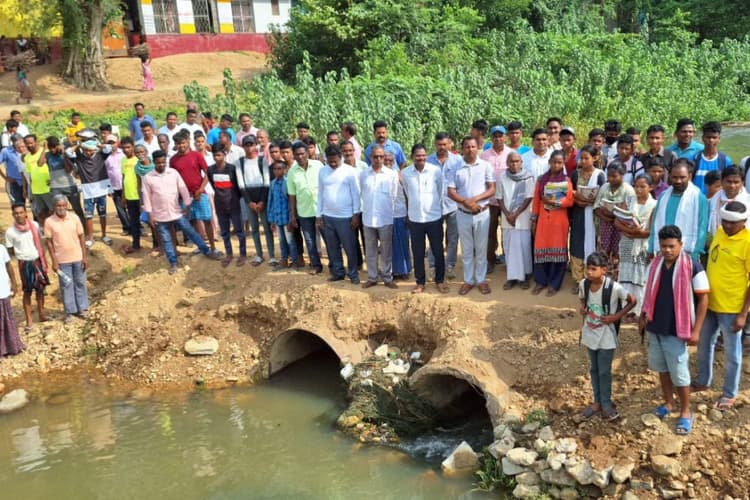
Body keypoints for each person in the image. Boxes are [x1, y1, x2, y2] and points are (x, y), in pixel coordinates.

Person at [640, 224, 708, 435]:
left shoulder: (694, 267)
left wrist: (696, 331)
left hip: (676, 330)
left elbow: (704, 299)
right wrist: (643, 317)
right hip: (655, 326)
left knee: (680, 373)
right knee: (662, 368)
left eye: (671, 246)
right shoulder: (655, 265)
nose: (667, 250)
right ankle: (668, 403)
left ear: (681, 244)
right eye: (663, 246)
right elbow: (648, 292)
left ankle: (686, 411)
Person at [693, 201, 750, 411]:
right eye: (724, 221)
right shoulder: (719, 232)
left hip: (732, 308)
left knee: (732, 354)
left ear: (743, 221)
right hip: (710, 303)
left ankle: (729, 394)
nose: (727, 225)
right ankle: (702, 381)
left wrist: (743, 314)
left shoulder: (747, 243)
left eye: (732, 223)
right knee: (704, 344)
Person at [578, 251, 636, 421]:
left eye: (593, 269)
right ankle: (597, 402)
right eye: (588, 268)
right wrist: (583, 308)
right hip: (590, 332)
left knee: (604, 371)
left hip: (606, 335)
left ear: (603, 270)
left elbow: (632, 301)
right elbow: (582, 299)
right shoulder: (584, 284)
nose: (589, 272)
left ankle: (606, 403)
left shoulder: (614, 288)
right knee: (594, 369)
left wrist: (615, 317)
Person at [142, 151, 221, 273]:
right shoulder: (148, 178)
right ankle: (173, 263)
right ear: (154, 162)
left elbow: (182, 189)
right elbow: (146, 197)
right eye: (158, 163)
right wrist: (150, 214)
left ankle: (206, 251)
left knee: (191, 233)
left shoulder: (173, 173)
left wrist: (187, 205)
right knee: (166, 240)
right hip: (160, 215)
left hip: (176, 212)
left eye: (163, 162)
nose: (161, 165)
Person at [448, 136, 496, 295]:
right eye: (467, 147)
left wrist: (474, 200)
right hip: (463, 214)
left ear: (477, 148)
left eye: (473, 146)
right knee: (467, 249)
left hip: (482, 213)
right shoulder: (455, 167)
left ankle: (481, 280)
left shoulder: (485, 165)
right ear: (462, 149)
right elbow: (451, 191)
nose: (470, 150)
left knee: (481, 248)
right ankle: (468, 280)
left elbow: (492, 189)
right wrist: (465, 202)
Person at [402, 144, 448, 293]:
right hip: (415, 219)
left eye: (423, 155)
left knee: (438, 251)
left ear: (426, 156)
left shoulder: (435, 171)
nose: (421, 158)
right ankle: (420, 282)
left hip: (434, 217)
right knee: (418, 253)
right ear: (412, 157)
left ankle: (440, 281)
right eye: (417, 155)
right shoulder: (405, 173)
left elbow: (441, 191)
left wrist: (436, 209)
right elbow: (407, 193)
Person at [169, 131, 220, 257]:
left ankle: (213, 247)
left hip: (200, 194)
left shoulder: (196, 155)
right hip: (184, 197)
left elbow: (208, 173)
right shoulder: (173, 160)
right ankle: (200, 246)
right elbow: (173, 179)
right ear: (175, 144)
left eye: (183, 143)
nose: (181, 146)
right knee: (192, 221)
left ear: (188, 142)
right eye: (178, 143)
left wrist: (201, 189)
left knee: (207, 220)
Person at [614, 173, 657, 320]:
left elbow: (652, 229)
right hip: (627, 242)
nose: (638, 189)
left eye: (642, 186)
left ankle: (640, 311)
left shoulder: (654, 205)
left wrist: (637, 233)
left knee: (640, 277)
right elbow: (617, 221)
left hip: (643, 245)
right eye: (636, 186)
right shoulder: (629, 200)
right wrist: (630, 231)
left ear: (651, 187)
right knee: (626, 275)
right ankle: (626, 308)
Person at [316, 144, 361, 284]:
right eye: (330, 162)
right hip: (328, 216)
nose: (333, 164)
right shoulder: (323, 171)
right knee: (332, 247)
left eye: (335, 161)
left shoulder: (350, 171)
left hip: (346, 217)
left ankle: (353, 274)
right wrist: (319, 214)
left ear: (341, 157)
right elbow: (320, 193)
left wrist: (356, 214)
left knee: (350, 247)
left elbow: (356, 194)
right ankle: (338, 272)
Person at [531, 151, 574, 296]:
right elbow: (536, 201)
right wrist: (534, 219)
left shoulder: (566, 180)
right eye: (554, 162)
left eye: (559, 162)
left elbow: (570, 200)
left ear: (563, 163)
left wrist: (555, 202)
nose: (556, 165)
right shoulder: (541, 179)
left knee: (558, 251)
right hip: (543, 220)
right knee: (541, 249)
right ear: (549, 162)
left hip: (559, 221)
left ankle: (554, 284)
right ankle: (541, 281)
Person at [648, 159, 709, 258]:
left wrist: (695, 253)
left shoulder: (698, 197)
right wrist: (651, 248)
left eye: (682, 177)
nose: (678, 181)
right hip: (663, 251)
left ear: (689, 176)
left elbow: (702, 228)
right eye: (675, 177)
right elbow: (655, 224)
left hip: (687, 252)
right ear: (670, 176)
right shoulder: (663, 196)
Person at [44, 195, 89, 322]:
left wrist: (84, 256)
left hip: (77, 257)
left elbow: (81, 237)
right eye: (59, 205)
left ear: (67, 205)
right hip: (62, 261)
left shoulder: (74, 218)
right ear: (54, 206)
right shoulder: (49, 222)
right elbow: (49, 243)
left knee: (80, 282)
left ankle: (82, 308)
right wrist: (54, 261)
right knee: (66, 285)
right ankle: (70, 312)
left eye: (64, 205)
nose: (61, 208)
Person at [5, 203, 49, 330]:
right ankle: (29, 320)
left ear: (26, 213)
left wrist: (42, 258)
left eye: (21, 212)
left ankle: (41, 314)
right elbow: (11, 251)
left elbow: (40, 242)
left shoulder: (34, 225)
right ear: (13, 215)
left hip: (37, 260)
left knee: (40, 289)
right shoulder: (10, 232)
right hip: (24, 263)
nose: (19, 215)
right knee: (27, 291)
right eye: (16, 213)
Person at [360, 145, 399, 289]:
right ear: (371, 157)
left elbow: (394, 196)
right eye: (375, 156)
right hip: (368, 218)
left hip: (385, 218)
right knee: (370, 250)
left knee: (386, 250)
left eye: (381, 156)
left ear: (384, 158)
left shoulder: (391, 174)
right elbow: (361, 194)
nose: (378, 159)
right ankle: (372, 277)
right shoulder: (364, 174)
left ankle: (387, 277)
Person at [569, 145, 605, 293]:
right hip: (578, 214)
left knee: (593, 243)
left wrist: (590, 201)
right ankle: (578, 280)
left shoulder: (600, 175)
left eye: (586, 158)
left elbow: (603, 195)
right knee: (577, 244)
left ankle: (592, 278)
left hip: (594, 216)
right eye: (581, 158)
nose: (583, 161)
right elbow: (570, 193)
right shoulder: (575, 174)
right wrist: (578, 200)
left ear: (594, 158)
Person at [65, 138, 112, 247]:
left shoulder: (101, 155)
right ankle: (90, 237)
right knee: (88, 216)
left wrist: (98, 144)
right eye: (86, 150)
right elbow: (68, 152)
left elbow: (109, 148)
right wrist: (79, 145)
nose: (88, 152)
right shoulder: (79, 158)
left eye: (91, 150)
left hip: (101, 190)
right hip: (88, 192)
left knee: (102, 214)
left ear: (95, 149)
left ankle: (104, 235)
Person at [427, 132, 461, 279]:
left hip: (453, 205)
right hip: (433, 206)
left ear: (450, 144)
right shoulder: (428, 161)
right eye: (439, 144)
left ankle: (450, 266)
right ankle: (433, 266)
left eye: (445, 144)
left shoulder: (458, 161)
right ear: (435, 144)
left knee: (453, 238)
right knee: (435, 238)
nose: (442, 147)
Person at [497, 152, 535, 290]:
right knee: (509, 248)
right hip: (507, 219)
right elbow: (499, 198)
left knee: (524, 248)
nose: (514, 164)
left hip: (523, 218)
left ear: (521, 162)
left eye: (517, 161)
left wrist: (516, 214)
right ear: (507, 163)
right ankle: (512, 277)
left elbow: (529, 197)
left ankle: (524, 277)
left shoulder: (528, 177)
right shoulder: (502, 177)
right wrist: (508, 214)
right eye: (511, 161)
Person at [237, 135, 275, 266]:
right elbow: (241, 184)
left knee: (267, 228)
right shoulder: (240, 162)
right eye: (246, 145)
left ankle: (272, 255)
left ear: (255, 145)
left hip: (262, 196)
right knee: (254, 228)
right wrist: (249, 202)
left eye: (251, 144)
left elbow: (266, 181)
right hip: (249, 199)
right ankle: (259, 254)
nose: (249, 147)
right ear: (243, 147)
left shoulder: (262, 160)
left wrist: (262, 201)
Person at [287, 140, 323, 273]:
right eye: (297, 154)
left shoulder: (318, 166)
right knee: (309, 240)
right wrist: (293, 215)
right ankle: (316, 265)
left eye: (302, 153)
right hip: (304, 211)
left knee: (328, 238)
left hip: (321, 210)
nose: (300, 156)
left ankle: (335, 266)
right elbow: (292, 195)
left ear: (307, 153)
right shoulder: (292, 172)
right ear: (294, 155)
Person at [207, 144, 247, 267]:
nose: (217, 158)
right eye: (214, 155)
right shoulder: (210, 170)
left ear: (224, 155)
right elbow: (214, 186)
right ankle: (229, 254)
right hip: (220, 205)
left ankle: (243, 254)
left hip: (233, 204)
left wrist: (234, 199)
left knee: (239, 231)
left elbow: (238, 187)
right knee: (224, 232)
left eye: (219, 155)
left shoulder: (232, 169)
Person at [594, 161, 636, 268]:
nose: (610, 179)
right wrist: (607, 218)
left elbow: (630, 213)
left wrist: (615, 217)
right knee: (604, 251)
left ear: (622, 175)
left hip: (621, 227)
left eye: (614, 176)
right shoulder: (604, 187)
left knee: (619, 252)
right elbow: (596, 207)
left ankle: (617, 273)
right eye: (608, 176)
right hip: (605, 225)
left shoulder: (629, 190)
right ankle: (603, 271)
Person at [480, 125, 510, 274]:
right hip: (490, 201)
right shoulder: (484, 156)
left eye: (500, 136)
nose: (498, 139)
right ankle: (490, 261)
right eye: (495, 136)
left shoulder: (511, 154)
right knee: (490, 232)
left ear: (505, 137)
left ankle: (508, 260)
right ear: (491, 138)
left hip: (507, 201)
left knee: (507, 232)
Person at [38, 136, 84, 222]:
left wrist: (63, 155)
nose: (52, 150)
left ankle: (83, 227)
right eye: (50, 148)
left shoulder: (65, 153)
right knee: (58, 211)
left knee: (77, 209)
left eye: (54, 147)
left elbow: (68, 170)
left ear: (58, 145)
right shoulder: (47, 155)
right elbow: (39, 164)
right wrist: (44, 149)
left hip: (69, 185)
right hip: (55, 187)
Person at [384, 151, 412, 279]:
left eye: (390, 160)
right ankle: (392, 271)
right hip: (386, 216)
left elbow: (408, 195)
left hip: (401, 214)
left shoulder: (400, 175)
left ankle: (405, 270)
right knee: (389, 245)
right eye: (385, 160)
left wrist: (408, 213)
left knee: (403, 243)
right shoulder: (379, 176)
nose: (388, 162)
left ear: (394, 161)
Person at [267, 160, 298, 270]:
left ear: (285, 170)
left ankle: (294, 261)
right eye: (275, 169)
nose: (277, 171)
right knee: (281, 241)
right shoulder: (272, 183)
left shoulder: (288, 182)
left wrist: (291, 218)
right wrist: (271, 220)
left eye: (279, 169)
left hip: (286, 218)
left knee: (290, 241)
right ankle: (284, 260)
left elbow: (291, 202)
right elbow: (270, 202)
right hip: (277, 218)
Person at [707, 166, 750, 237]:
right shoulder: (715, 199)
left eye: (736, 182)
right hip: (719, 240)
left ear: (742, 183)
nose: (732, 186)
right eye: (729, 181)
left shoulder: (748, 202)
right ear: (722, 181)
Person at [693, 121, 733, 195]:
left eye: (714, 137)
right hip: (697, 199)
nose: (711, 140)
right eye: (708, 137)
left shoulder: (725, 161)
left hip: (717, 199)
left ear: (719, 139)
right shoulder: (694, 159)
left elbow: (729, 183)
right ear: (703, 138)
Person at [23, 134, 54, 225]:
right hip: (36, 191)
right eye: (27, 144)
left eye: (31, 143)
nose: (29, 145)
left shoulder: (45, 152)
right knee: (40, 213)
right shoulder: (27, 157)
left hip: (48, 189)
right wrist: (30, 191)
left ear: (36, 142)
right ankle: (44, 230)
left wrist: (52, 179)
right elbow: (30, 175)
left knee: (53, 212)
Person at [104, 135, 130, 236]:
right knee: (120, 209)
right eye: (109, 143)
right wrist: (108, 188)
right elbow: (105, 173)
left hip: (127, 185)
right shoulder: (105, 156)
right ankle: (126, 228)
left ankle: (138, 227)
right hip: (114, 187)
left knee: (131, 208)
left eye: (113, 142)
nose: (111, 145)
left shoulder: (123, 153)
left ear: (117, 143)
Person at [120, 137, 142, 254]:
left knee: (149, 221)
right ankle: (136, 244)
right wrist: (123, 195)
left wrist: (141, 197)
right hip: (129, 196)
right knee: (133, 222)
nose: (126, 150)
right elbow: (123, 178)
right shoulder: (123, 160)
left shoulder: (138, 159)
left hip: (139, 197)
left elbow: (141, 180)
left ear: (133, 146)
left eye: (128, 147)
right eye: (123, 148)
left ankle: (156, 244)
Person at [0, 241, 22, 356]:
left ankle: (11, 347)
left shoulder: (1, 248)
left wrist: (14, 283)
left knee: (7, 319)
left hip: (3, 289)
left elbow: (9, 266)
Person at [0, 134, 27, 204]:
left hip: (29, 181)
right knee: (18, 203)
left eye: (21, 141)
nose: (20, 143)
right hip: (16, 182)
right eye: (17, 142)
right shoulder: (6, 151)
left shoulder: (27, 149)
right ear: (13, 142)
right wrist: (5, 178)